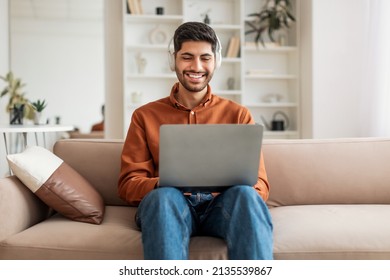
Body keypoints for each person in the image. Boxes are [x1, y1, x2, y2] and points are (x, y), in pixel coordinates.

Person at [118, 22, 273, 260]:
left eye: (205, 58)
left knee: (245, 195)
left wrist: (230, 187)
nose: (196, 66)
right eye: (187, 57)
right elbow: (128, 185)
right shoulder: (144, 116)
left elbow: (259, 186)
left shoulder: (238, 115)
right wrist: (163, 184)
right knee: (163, 198)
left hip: (222, 207)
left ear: (216, 62)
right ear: (173, 61)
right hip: (171, 205)